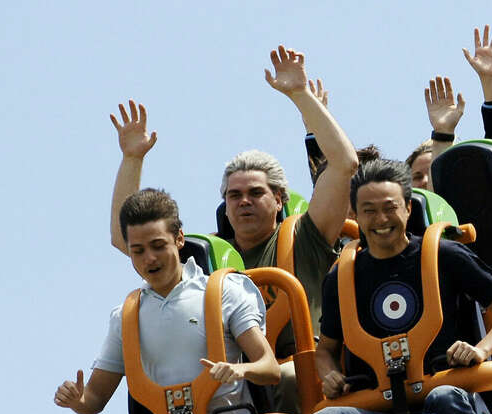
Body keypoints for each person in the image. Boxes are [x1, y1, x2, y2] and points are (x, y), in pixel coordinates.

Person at [110, 46, 358, 333]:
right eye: (234, 195)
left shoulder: (305, 236)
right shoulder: (203, 256)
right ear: (225, 206)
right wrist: (132, 160)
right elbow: (123, 238)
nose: (244, 202)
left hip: (300, 367)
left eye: (255, 193)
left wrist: (300, 94)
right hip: (229, 373)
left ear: (279, 200)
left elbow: (344, 164)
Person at [308, 160, 492, 414]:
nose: (381, 219)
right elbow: (326, 350)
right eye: (369, 211)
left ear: (408, 208)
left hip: (442, 393)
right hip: (380, 410)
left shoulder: (442, 254)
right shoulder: (341, 276)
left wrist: (481, 350)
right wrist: (330, 375)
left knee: (445, 397)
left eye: (390, 208)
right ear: (356, 214)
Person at [58, 190, 278, 414]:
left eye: (158, 246)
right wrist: (76, 399)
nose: (149, 258)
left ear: (179, 239)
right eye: (138, 251)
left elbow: (270, 368)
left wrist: (239, 369)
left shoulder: (223, 292)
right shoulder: (126, 316)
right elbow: (94, 399)